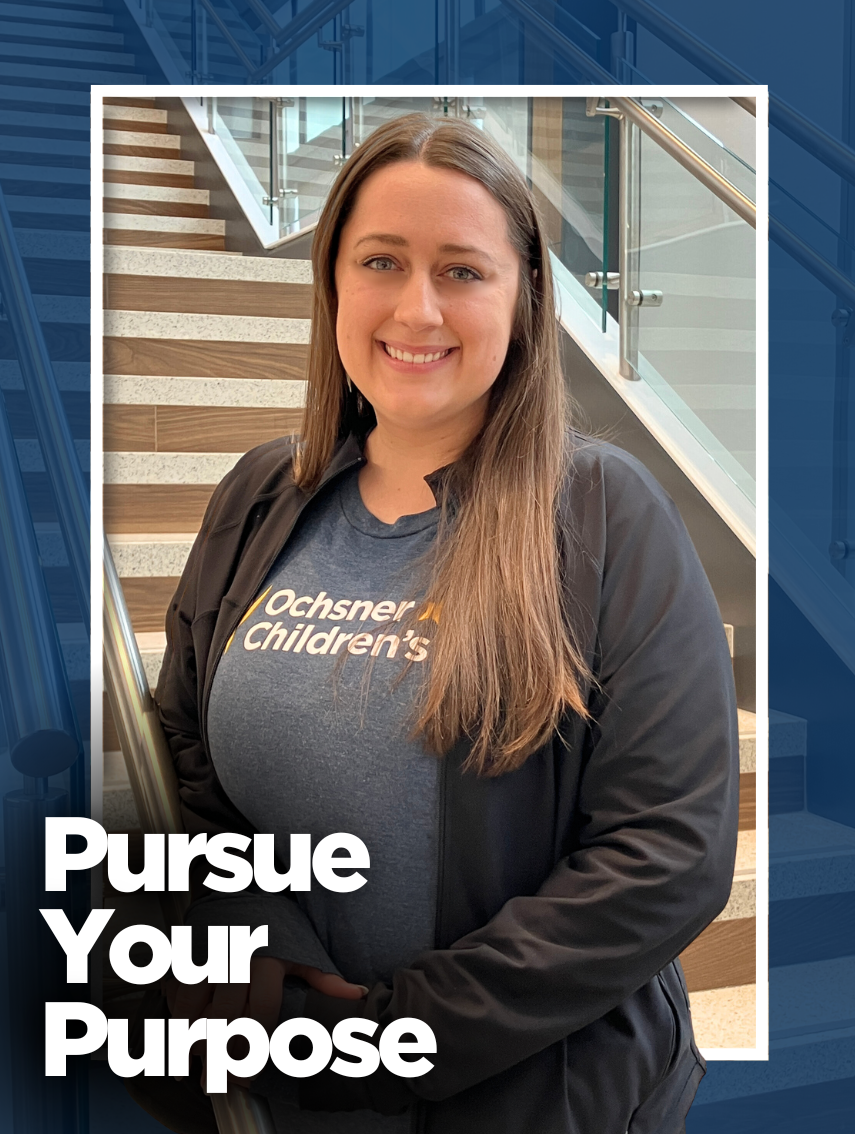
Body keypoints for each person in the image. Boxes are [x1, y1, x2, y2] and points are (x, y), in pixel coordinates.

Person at [130, 111, 739, 1134]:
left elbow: (667, 854)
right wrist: (276, 961)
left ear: (526, 298)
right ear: (332, 284)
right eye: (381, 261)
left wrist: (390, 1036)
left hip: (540, 1099)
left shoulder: (602, 510)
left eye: (463, 270)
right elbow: (187, 755)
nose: (417, 308)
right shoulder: (256, 496)